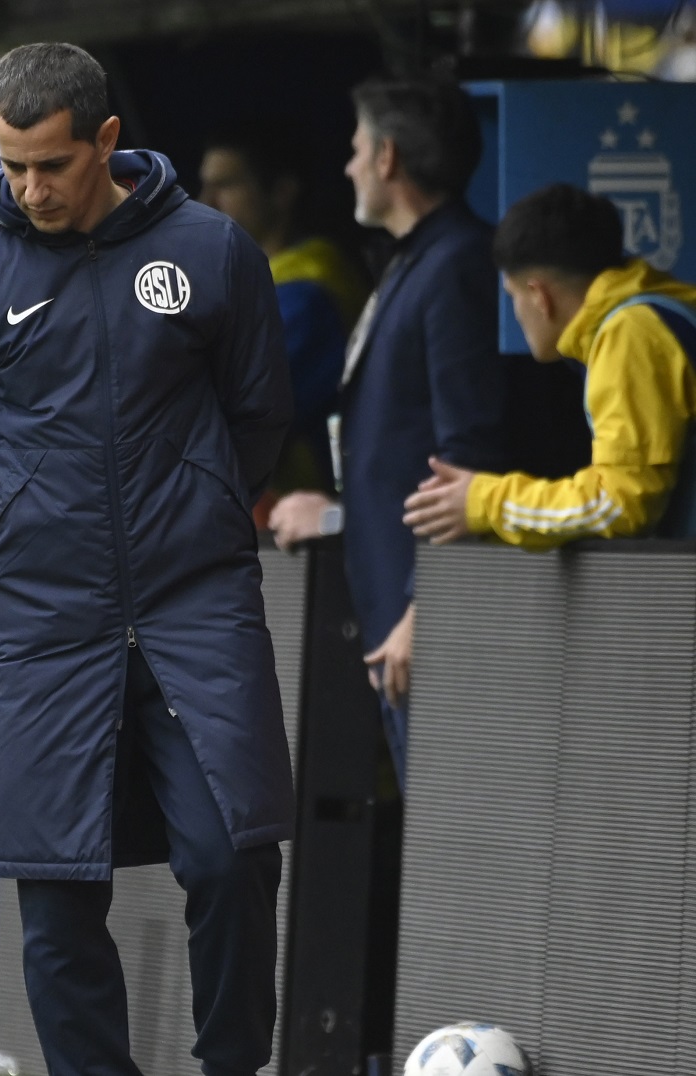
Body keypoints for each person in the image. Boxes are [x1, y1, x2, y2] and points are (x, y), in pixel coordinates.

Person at [0, 43, 294, 1076]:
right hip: (43, 619)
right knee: (57, 888)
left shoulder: (212, 252)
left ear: (107, 141)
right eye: (12, 166)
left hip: (195, 601)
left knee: (233, 853)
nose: (29, 191)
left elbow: (258, 416)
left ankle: (233, 1067)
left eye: (53, 167)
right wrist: (18, 528)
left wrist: (193, 505)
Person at [268, 75, 507, 783]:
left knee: (458, 831)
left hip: (426, 623)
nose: (346, 166)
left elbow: (471, 454)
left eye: (355, 148)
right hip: (397, 616)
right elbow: (401, 461)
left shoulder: (458, 263)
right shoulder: (418, 261)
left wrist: (422, 608)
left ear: (388, 158)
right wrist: (338, 516)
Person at [404, 183, 696, 547]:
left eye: (512, 296)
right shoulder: (661, 310)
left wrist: (485, 501)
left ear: (539, 296)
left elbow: (619, 503)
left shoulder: (630, 334)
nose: (514, 312)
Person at [199, 119, 366, 499]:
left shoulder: (308, 293)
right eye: (205, 185)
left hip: (304, 515)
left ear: (282, 192)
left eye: (225, 185)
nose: (205, 201)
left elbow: (234, 415)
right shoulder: (252, 280)